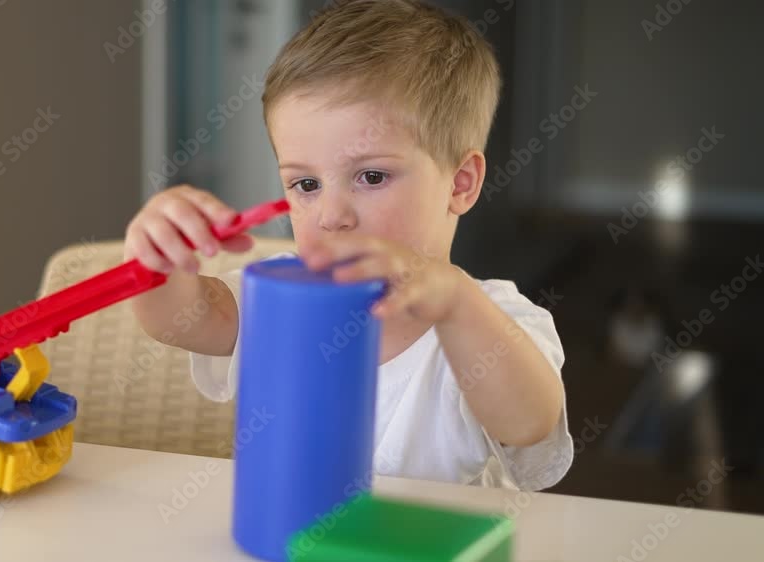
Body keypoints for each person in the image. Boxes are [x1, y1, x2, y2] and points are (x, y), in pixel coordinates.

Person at [125, 0, 571, 491]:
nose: (331, 214)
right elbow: (177, 320)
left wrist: (458, 306)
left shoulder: (488, 318)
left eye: (371, 176)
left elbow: (529, 423)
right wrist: (157, 256)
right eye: (306, 185)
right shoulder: (282, 300)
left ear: (460, 183)